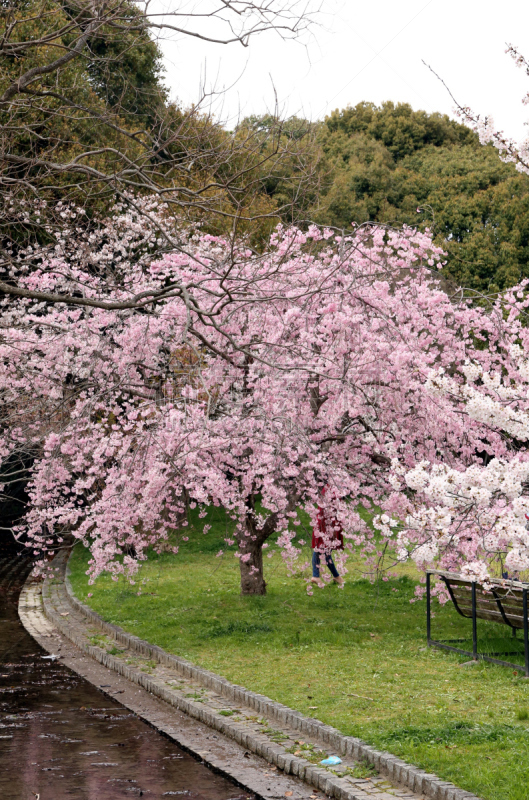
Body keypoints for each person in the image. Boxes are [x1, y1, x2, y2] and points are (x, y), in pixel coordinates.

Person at [311, 502, 344, 586]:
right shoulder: (329, 490)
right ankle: (316, 576)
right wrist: (331, 527)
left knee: (325, 549)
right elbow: (327, 508)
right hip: (326, 521)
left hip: (327, 520)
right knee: (321, 547)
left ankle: (336, 576)